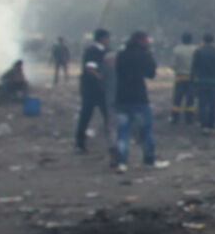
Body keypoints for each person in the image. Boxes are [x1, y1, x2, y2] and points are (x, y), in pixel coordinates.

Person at [114, 31, 159, 172]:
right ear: (142, 41)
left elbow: (118, 72)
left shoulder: (121, 55)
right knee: (145, 131)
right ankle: (149, 159)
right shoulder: (144, 55)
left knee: (123, 132)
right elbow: (151, 74)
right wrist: (150, 56)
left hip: (121, 98)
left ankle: (122, 162)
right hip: (139, 97)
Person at [74, 29, 111, 153]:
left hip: (99, 89)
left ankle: (111, 143)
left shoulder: (104, 51)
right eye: (107, 38)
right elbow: (90, 69)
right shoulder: (93, 51)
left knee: (107, 116)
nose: (109, 40)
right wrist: (102, 79)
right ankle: (80, 144)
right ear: (102, 38)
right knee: (87, 116)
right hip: (92, 89)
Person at [191, 33, 215, 134]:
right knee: (213, 105)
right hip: (214, 82)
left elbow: (194, 69)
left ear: (203, 40)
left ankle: (204, 126)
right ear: (213, 40)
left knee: (202, 105)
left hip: (201, 82)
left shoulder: (198, 52)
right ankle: (211, 126)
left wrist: (193, 83)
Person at [169, 32, 198, 124]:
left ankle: (175, 118)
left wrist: (178, 69)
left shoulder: (177, 49)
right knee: (190, 98)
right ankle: (189, 119)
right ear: (191, 39)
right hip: (192, 78)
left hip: (180, 77)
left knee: (177, 99)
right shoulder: (196, 49)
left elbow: (173, 65)